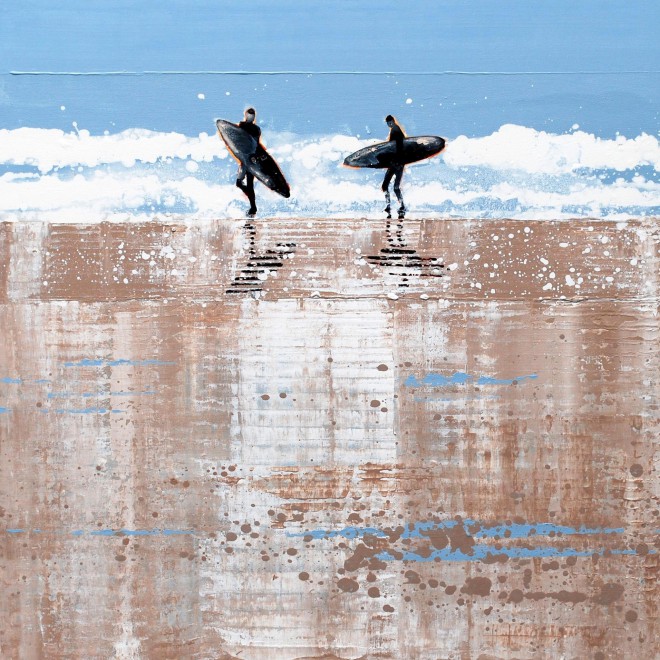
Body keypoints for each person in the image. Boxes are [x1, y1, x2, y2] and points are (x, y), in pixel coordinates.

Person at [236, 107, 262, 217]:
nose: (251, 117)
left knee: (245, 184)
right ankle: (253, 206)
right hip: (247, 159)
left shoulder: (249, 127)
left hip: (249, 159)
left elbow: (254, 144)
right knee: (244, 184)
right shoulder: (253, 128)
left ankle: (253, 208)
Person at [382, 115, 406, 218]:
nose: (389, 124)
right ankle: (400, 205)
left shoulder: (395, 130)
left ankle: (390, 205)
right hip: (398, 163)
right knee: (394, 186)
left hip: (396, 164)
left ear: (392, 121)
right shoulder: (397, 130)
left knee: (387, 186)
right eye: (388, 123)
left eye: (390, 122)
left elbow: (392, 147)